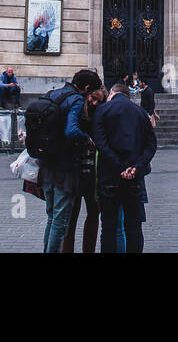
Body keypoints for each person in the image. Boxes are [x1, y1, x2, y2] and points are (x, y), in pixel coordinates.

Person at [36, 69, 103, 253]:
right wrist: (88, 140)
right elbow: (71, 130)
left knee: (51, 217)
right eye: (90, 93)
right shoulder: (75, 99)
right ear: (87, 88)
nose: (90, 98)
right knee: (60, 221)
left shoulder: (51, 93)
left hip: (46, 165)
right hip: (64, 167)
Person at [93, 81, 157, 253]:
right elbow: (151, 145)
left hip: (109, 177)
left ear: (112, 92)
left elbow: (101, 143)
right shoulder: (140, 112)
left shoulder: (102, 110)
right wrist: (136, 167)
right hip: (134, 177)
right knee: (134, 227)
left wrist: (118, 166)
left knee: (108, 228)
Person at [62, 84, 107, 254]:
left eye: (98, 100)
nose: (95, 102)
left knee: (94, 213)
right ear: (87, 93)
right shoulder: (75, 111)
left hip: (92, 173)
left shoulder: (98, 114)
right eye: (93, 98)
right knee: (71, 217)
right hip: (75, 171)